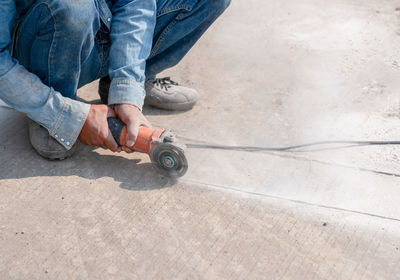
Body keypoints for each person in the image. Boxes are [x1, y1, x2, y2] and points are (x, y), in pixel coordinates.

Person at [0, 0, 230, 159]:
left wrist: (127, 88)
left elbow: (134, 5)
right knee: (72, 7)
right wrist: (63, 115)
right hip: (50, 45)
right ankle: (54, 103)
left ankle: (124, 83)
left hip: (100, 27)